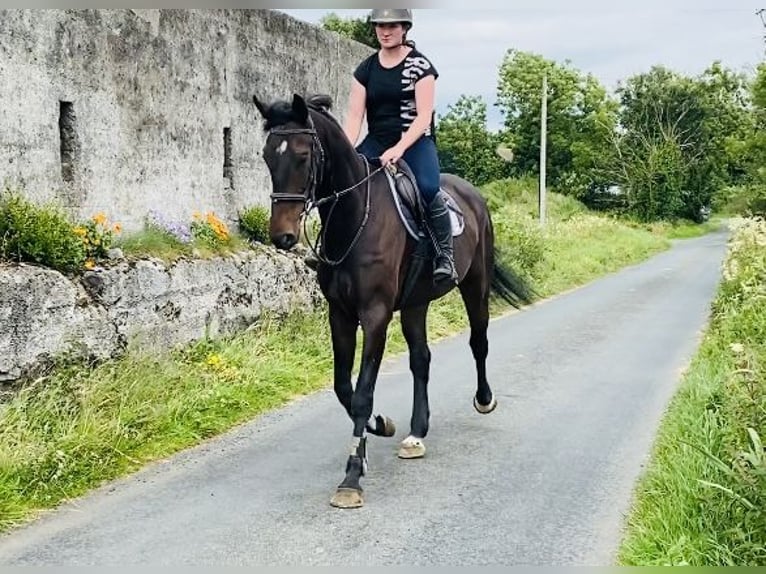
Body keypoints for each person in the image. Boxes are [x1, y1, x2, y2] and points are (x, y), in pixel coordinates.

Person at [342, 8, 457, 284]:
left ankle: (445, 256)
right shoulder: (366, 69)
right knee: (345, 183)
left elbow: (423, 116)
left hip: (415, 140)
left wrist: (400, 148)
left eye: (392, 25)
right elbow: (355, 116)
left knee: (428, 188)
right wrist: (346, 151)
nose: (385, 31)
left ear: (405, 28)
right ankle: (332, 249)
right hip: (377, 139)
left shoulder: (420, 67)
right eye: (380, 25)